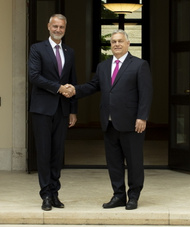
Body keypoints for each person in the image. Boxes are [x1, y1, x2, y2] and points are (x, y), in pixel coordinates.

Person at [62, 30, 152, 210]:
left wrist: (142, 117)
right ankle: (118, 195)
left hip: (131, 123)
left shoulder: (139, 65)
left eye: (120, 41)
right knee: (114, 163)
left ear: (128, 44)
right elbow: (92, 86)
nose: (116, 44)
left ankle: (133, 196)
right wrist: (74, 90)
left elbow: (146, 93)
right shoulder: (103, 66)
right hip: (109, 123)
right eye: (113, 42)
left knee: (134, 162)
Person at [28, 14, 78, 211]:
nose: (58, 30)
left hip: (62, 110)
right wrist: (58, 88)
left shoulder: (69, 51)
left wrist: (73, 110)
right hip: (42, 109)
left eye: (61, 27)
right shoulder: (37, 49)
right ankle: (46, 195)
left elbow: (73, 80)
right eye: (55, 26)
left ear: (65, 29)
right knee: (44, 152)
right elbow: (34, 76)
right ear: (48, 26)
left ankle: (55, 193)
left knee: (57, 153)